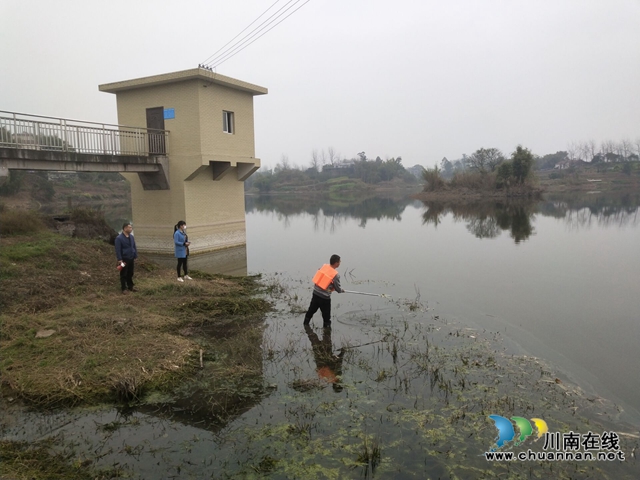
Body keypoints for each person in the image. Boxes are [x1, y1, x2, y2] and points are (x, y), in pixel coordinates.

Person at [303, 254, 343, 328]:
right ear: (336, 263)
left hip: (315, 293)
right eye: (339, 262)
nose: (340, 263)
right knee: (326, 317)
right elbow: (337, 288)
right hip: (325, 298)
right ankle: (327, 333)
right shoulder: (335, 275)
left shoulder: (323, 267)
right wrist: (341, 291)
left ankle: (305, 324)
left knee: (311, 311)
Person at [305, 324, 345, 392]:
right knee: (313, 337)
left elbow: (338, 363)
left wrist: (342, 353)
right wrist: (341, 354)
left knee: (323, 336)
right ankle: (307, 325)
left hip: (323, 357)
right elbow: (337, 364)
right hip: (320, 358)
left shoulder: (334, 377)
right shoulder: (329, 379)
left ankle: (307, 324)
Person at [115, 222, 138, 294]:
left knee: (130, 272)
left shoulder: (131, 237)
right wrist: (119, 259)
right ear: (125, 228)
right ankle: (123, 288)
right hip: (124, 259)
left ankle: (130, 286)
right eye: (129, 227)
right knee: (123, 273)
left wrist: (135, 255)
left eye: (131, 227)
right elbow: (118, 249)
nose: (131, 229)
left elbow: (134, 247)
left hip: (131, 258)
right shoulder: (119, 238)